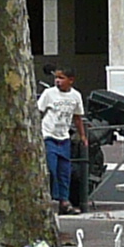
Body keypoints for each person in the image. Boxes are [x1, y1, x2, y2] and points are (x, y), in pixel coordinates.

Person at [36, 67, 87, 209]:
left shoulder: (76, 96)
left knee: (64, 171)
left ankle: (64, 201)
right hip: (48, 136)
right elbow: (38, 112)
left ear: (71, 80)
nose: (58, 81)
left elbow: (77, 117)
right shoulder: (49, 94)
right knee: (51, 169)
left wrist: (82, 135)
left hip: (63, 138)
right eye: (56, 78)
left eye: (61, 78)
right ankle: (52, 198)